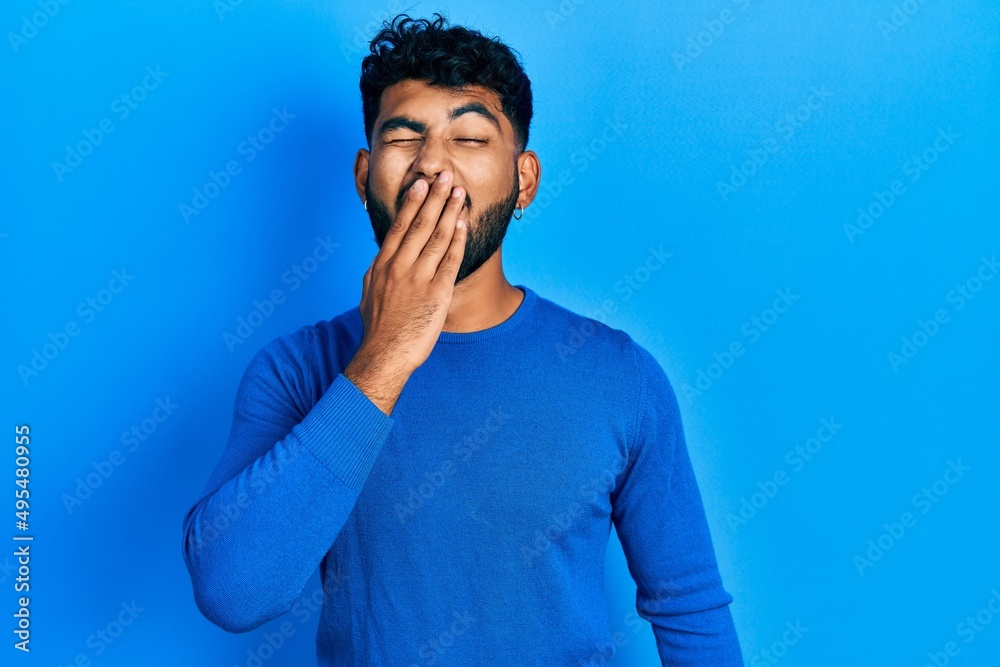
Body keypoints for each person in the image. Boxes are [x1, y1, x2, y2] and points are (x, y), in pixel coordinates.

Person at [181, 12, 743, 666]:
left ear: (524, 181)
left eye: (470, 137)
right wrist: (383, 358)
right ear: (365, 177)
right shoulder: (295, 371)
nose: (433, 166)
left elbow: (690, 610)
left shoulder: (621, 377)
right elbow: (233, 592)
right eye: (405, 135)